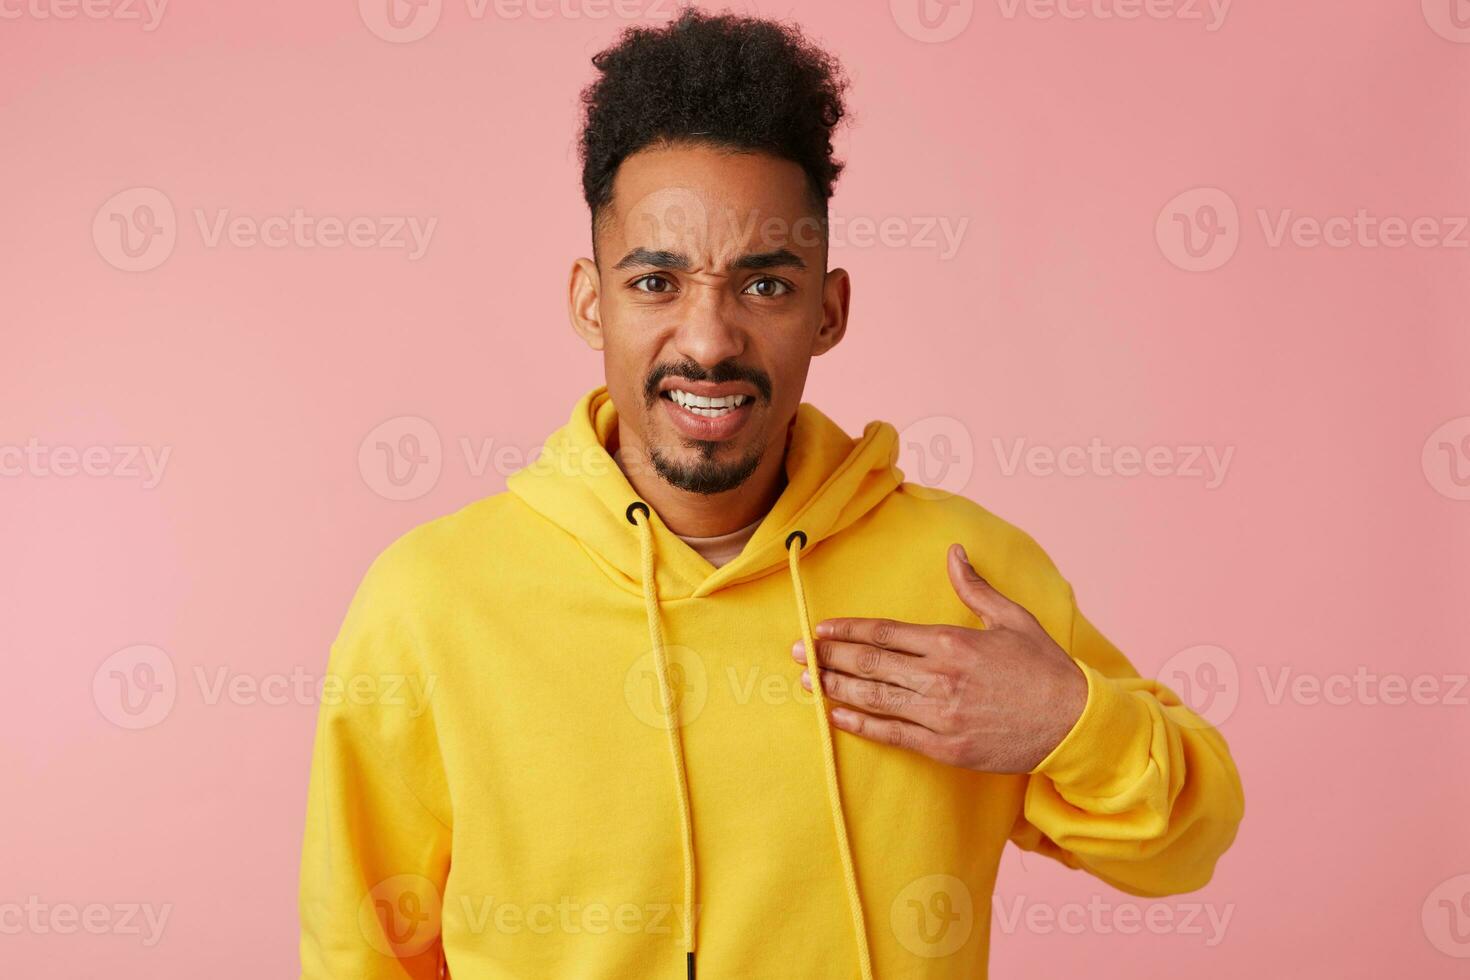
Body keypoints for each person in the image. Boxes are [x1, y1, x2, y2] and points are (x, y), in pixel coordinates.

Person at [298, 8, 1245, 978]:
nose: (707, 341)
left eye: (764, 286)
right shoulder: (430, 602)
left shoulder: (965, 577)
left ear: (829, 309)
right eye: (657, 281)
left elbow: (1184, 845)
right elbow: (358, 953)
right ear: (591, 301)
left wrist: (1070, 722)